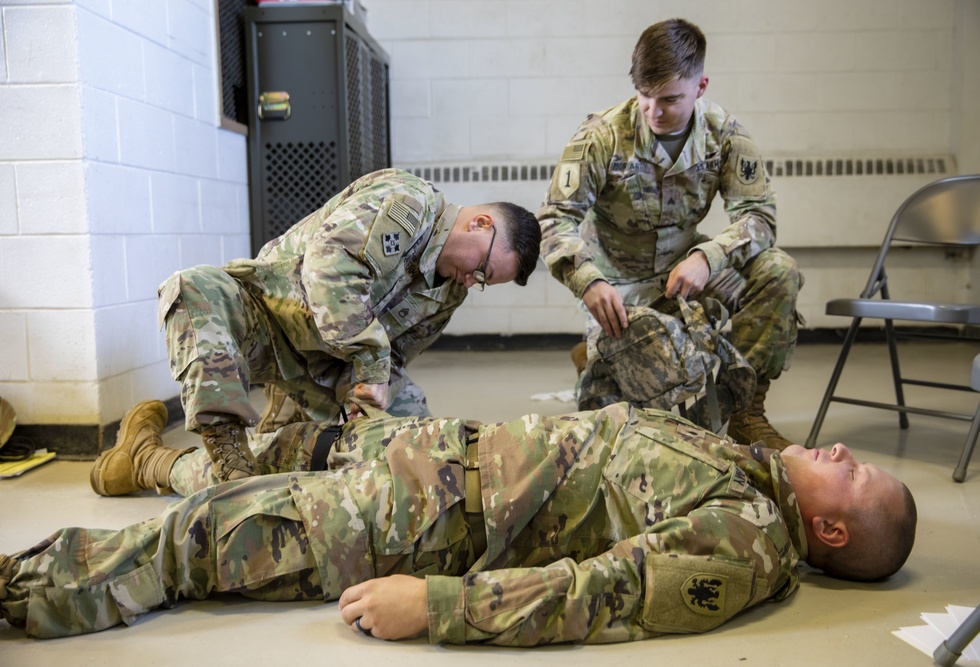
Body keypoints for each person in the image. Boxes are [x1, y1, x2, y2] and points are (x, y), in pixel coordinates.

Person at [1, 400, 917, 642]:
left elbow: (595, 595)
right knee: (272, 446)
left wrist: (436, 603)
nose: (841, 452)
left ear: (830, 533)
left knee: (195, 538)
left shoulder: (746, 539)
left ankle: (21, 592)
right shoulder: (750, 470)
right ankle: (148, 461)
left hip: (417, 520)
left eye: (857, 475)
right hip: (427, 455)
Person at [92, 168, 541, 488]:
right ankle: (226, 449)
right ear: (480, 224)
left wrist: (363, 403)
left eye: (484, 283)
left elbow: (395, 358)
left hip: (328, 368)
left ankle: (150, 461)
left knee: (412, 458)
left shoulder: (450, 293)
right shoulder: (408, 203)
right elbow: (329, 271)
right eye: (481, 270)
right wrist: (370, 367)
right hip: (269, 321)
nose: (472, 282)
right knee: (192, 288)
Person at [538, 18, 802, 449]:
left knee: (778, 271)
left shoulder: (725, 136)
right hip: (617, 284)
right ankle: (602, 352)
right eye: (645, 97)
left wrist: (708, 258)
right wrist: (589, 281)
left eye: (670, 99)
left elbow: (759, 216)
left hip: (686, 271)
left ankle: (746, 411)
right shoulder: (602, 136)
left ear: (700, 87)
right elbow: (554, 219)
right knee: (632, 433)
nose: (654, 112)